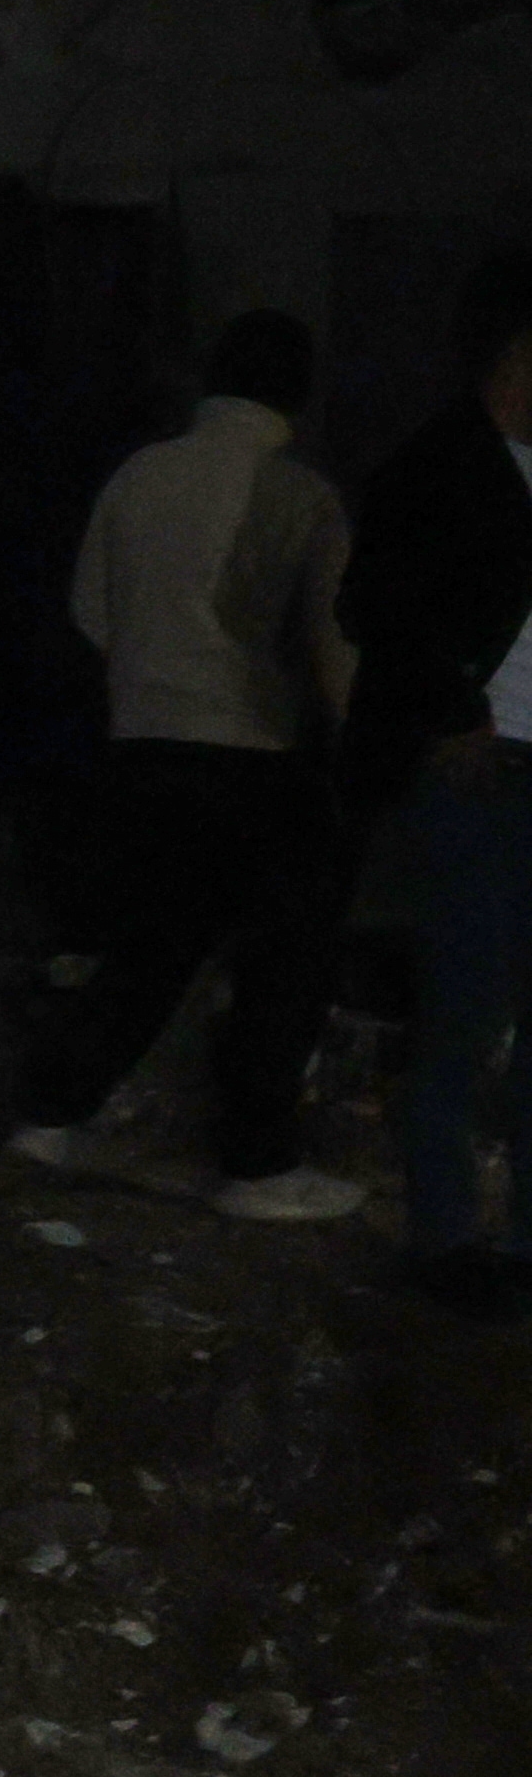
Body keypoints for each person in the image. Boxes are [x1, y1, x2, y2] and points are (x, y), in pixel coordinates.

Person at [2, 311, 361, 1221]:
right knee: (285, 963)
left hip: (141, 748)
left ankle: (44, 1119)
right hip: (253, 756)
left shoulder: (137, 476)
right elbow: (331, 653)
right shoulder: (304, 496)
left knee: (146, 952)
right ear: (297, 395)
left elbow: (92, 614)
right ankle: (256, 1163)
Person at [335, 247, 532, 1308]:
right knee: (463, 1007)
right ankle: (448, 1242)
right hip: (477, 767)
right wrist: (452, 707)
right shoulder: (439, 466)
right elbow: (374, 608)